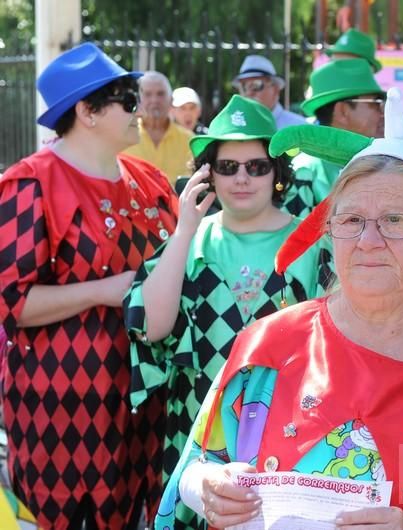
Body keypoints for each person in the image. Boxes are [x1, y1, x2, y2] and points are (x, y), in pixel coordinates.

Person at [153, 89, 403, 530]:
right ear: (330, 232)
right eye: (352, 220)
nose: (368, 240)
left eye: (395, 220)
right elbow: (195, 467)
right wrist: (205, 487)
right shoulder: (266, 349)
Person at [123, 94, 328, 528]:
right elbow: (153, 328)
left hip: (287, 430)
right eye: (227, 167)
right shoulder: (191, 240)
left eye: (256, 166)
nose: (242, 178)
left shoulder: (311, 244)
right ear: (208, 174)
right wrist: (184, 230)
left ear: (276, 173)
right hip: (196, 427)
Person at [0, 42, 178, 530]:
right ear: (87, 111)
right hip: (63, 408)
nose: (138, 108)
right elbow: (10, 302)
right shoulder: (31, 183)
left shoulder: (151, 181)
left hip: (146, 403)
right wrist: (104, 290)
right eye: (126, 96)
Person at [282, 58, 386, 219]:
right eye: (376, 104)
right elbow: (292, 240)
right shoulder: (305, 172)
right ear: (343, 110)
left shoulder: (385, 163)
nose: (383, 113)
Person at [125, 71, 194, 186]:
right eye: (148, 94)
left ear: (171, 100)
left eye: (160, 94)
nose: (154, 100)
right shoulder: (124, 137)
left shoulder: (189, 140)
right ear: (138, 100)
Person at [234, 54, 306, 129]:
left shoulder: (298, 127)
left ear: (275, 89)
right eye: (243, 86)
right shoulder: (235, 128)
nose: (248, 93)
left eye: (256, 85)